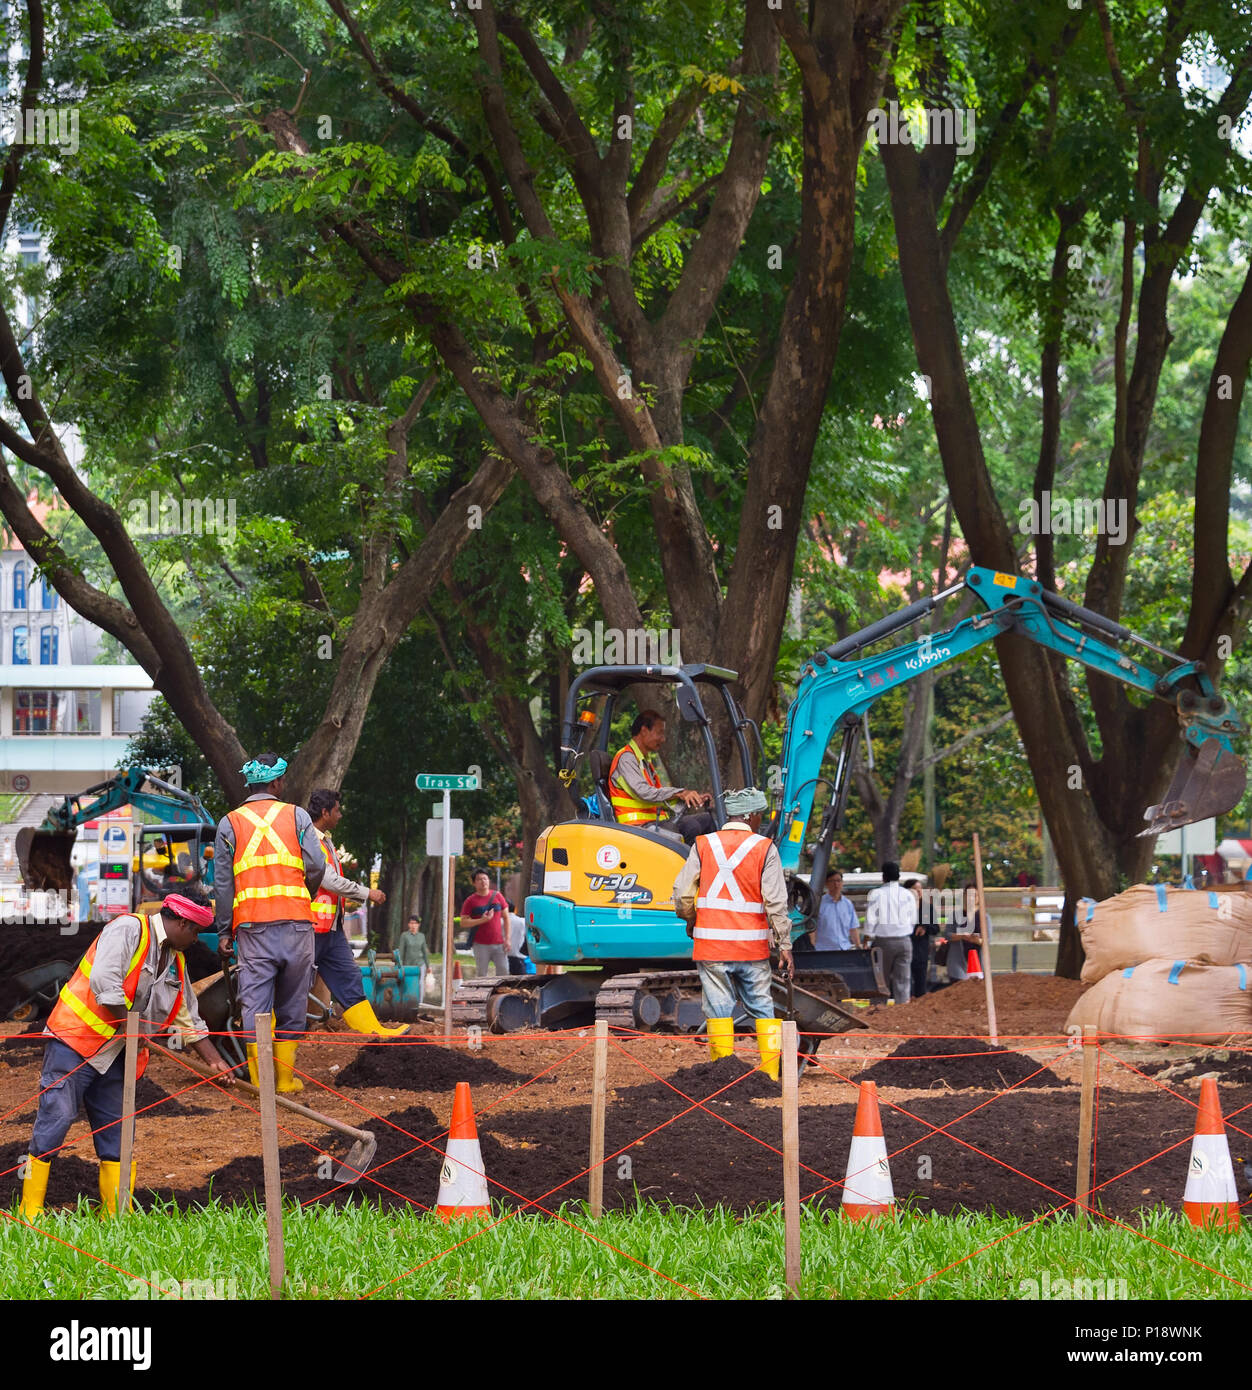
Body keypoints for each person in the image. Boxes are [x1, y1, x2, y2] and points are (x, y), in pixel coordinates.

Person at [19, 893, 235, 1219]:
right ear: (182, 923)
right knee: (58, 1118)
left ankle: (114, 1217)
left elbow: (187, 1016)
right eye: (194, 933)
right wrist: (129, 1026)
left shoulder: (174, 962)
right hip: (76, 1043)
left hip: (119, 1053)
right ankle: (30, 1211)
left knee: (117, 1132)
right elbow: (105, 981)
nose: (194, 941)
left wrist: (213, 1060)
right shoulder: (127, 929)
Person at [213, 752, 325, 1093]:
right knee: (293, 1003)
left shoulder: (229, 823)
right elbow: (317, 864)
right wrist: (302, 892)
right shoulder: (298, 815)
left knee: (255, 1004)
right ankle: (286, 1080)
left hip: (252, 928)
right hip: (296, 925)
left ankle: (263, 1084)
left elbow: (222, 883)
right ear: (276, 782)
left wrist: (223, 930)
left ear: (250, 783)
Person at [672, 787, 793, 1079]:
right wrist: (785, 944)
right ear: (750, 815)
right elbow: (776, 901)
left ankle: (722, 1079)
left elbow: (682, 893)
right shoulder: (765, 848)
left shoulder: (703, 845)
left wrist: (691, 919)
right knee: (763, 1009)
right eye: (760, 815)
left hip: (712, 947)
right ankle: (771, 1078)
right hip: (750, 948)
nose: (761, 821)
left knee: (718, 1009)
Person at [307, 789, 405, 1037]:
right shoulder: (310, 841)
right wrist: (366, 893)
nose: (340, 815)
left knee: (349, 977)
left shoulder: (325, 840)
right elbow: (329, 881)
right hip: (309, 929)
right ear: (325, 812)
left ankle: (373, 1031)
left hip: (330, 930)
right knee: (294, 985)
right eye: (337, 810)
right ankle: (278, 1039)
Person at [608, 710, 716, 842]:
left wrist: (689, 798)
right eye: (660, 733)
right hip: (637, 827)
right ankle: (690, 862)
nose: (663, 739)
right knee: (691, 827)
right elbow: (644, 792)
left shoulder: (644, 762)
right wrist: (680, 793)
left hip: (654, 823)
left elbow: (659, 797)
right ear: (644, 731)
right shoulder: (626, 758)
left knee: (708, 819)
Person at [865, 862, 917, 1005]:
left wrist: (868, 939)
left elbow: (870, 919)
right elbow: (913, 919)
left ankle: (879, 1009)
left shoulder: (876, 894)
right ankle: (902, 1007)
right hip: (905, 941)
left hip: (884, 941)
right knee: (903, 979)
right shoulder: (908, 894)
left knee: (881, 979)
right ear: (898, 876)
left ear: (883, 876)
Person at [461, 869, 510, 979]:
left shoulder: (498, 896)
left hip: (499, 943)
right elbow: (463, 922)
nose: (483, 881)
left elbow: (506, 918)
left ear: (488, 880)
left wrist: (507, 938)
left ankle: (501, 995)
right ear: (474, 883)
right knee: (482, 974)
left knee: (504, 971)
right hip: (480, 945)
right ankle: (483, 995)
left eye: (485, 878)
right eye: (479, 879)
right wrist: (482, 920)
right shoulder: (470, 901)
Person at [813, 868, 861, 950]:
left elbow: (853, 927)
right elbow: (813, 929)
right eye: (832, 881)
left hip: (844, 949)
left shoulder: (848, 904)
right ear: (826, 883)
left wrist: (858, 946)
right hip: (824, 950)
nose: (836, 884)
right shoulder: (819, 904)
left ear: (842, 883)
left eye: (839, 881)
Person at [907, 877, 939, 999]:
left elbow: (936, 928)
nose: (919, 892)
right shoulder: (902, 908)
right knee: (907, 983)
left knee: (921, 984)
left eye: (920, 889)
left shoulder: (928, 908)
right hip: (906, 950)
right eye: (915, 889)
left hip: (921, 951)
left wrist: (925, 927)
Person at [945, 882, 984, 983]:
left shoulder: (984, 917)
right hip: (957, 962)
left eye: (974, 895)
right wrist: (961, 936)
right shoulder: (955, 914)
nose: (971, 898)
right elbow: (947, 935)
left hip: (978, 964)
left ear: (979, 897)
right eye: (969, 895)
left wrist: (976, 940)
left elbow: (987, 941)